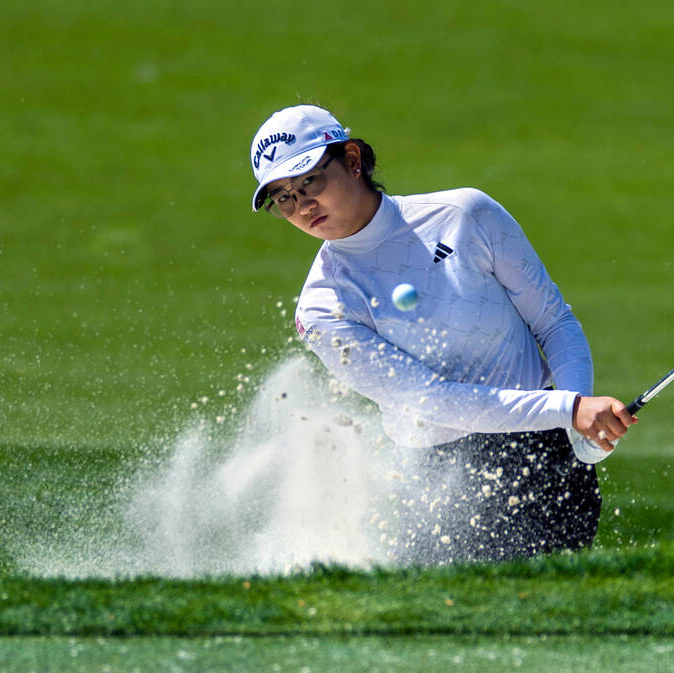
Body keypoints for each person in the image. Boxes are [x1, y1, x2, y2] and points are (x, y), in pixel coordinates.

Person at [247, 104, 636, 564]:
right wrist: (570, 409)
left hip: (546, 451)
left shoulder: (465, 214)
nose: (302, 205)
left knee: (548, 623)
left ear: (352, 159)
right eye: (283, 197)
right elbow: (430, 400)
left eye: (309, 180)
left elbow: (553, 320)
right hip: (438, 482)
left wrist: (577, 429)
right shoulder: (322, 307)